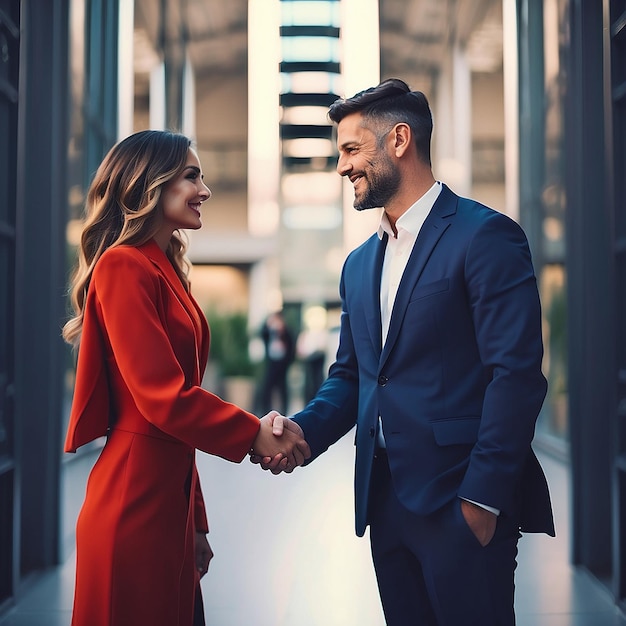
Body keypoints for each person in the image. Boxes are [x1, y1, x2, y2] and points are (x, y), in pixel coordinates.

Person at [254, 79, 555, 625]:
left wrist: (480, 503)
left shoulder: (486, 236)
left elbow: (516, 376)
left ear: (399, 140)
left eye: (351, 149)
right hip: (385, 503)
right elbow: (353, 377)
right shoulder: (358, 264)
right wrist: (299, 433)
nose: (342, 167)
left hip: (461, 502)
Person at [62, 130, 310, 626]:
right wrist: (253, 433)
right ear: (149, 183)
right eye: (191, 175)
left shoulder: (165, 269)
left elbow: (175, 420)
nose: (205, 189)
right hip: (133, 504)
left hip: (167, 503)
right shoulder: (122, 266)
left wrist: (195, 522)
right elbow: (164, 399)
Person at [258, 311, 294, 414]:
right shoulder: (269, 330)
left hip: (282, 363)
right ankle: (265, 410)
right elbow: (262, 333)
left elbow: (291, 344)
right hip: (272, 362)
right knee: (267, 387)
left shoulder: (286, 331)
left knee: (283, 388)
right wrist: (268, 324)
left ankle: (284, 411)